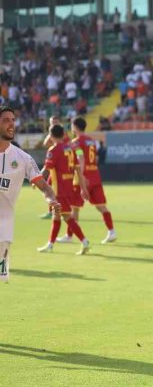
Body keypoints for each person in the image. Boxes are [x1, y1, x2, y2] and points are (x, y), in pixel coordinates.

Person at [0, 107, 61, 280]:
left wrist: (51, 199)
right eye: (6, 120)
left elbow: (45, 186)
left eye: (13, 120)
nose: (11, 124)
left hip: (3, 229)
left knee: (1, 275)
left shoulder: (23, 159)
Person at [36, 125, 90, 255]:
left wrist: (35, 179)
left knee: (66, 217)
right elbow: (78, 170)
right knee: (57, 216)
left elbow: (46, 169)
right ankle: (50, 244)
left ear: (51, 135)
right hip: (68, 188)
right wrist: (83, 189)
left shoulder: (53, 150)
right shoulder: (71, 149)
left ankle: (84, 241)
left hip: (58, 189)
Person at [66, 117, 116, 244]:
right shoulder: (92, 141)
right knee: (101, 206)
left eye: (72, 125)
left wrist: (81, 176)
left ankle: (69, 235)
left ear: (75, 127)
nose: (71, 127)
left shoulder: (76, 142)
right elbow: (96, 158)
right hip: (95, 175)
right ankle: (111, 231)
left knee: (74, 207)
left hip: (83, 177)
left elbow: (80, 157)